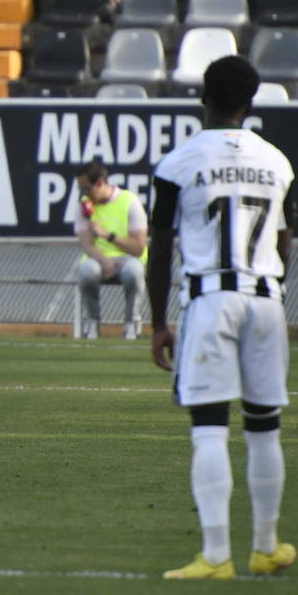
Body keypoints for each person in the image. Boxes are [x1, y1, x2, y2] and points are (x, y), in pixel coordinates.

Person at [147, 55, 295, 580]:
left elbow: (160, 248)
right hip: (266, 299)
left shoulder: (179, 162)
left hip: (211, 299)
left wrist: (158, 320)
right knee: (264, 429)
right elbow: (284, 237)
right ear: (250, 103)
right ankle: (266, 545)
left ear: (203, 99)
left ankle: (215, 556)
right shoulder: (278, 162)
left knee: (210, 429)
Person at [73, 160, 148, 340]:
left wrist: (108, 236)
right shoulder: (84, 206)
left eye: (87, 189)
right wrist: (105, 261)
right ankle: (92, 322)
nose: (84, 195)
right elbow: (86, 244)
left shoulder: (130, 201)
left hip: (128, 258)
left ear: (99, 183)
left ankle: (131, 323)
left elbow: (138, 248)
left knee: (134, 271)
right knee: (87, 271)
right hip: (98, 259)